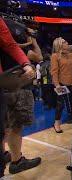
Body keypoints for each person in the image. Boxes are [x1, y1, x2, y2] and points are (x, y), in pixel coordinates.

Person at [0, 17, 34, 178]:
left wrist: (26, 64)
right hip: (14, 84)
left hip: (7, 82)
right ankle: (16, 160)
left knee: (6, 127)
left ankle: (9, 158)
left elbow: (10, 45)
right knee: (15, 125)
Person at [51, 38, 72, 132]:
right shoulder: (55, 56)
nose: (67, 43)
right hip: (61, 83)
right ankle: (56, 123)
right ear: (60, 45)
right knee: (60, 104)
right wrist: (57, 85)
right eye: (65, 42)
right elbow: (54, 72)